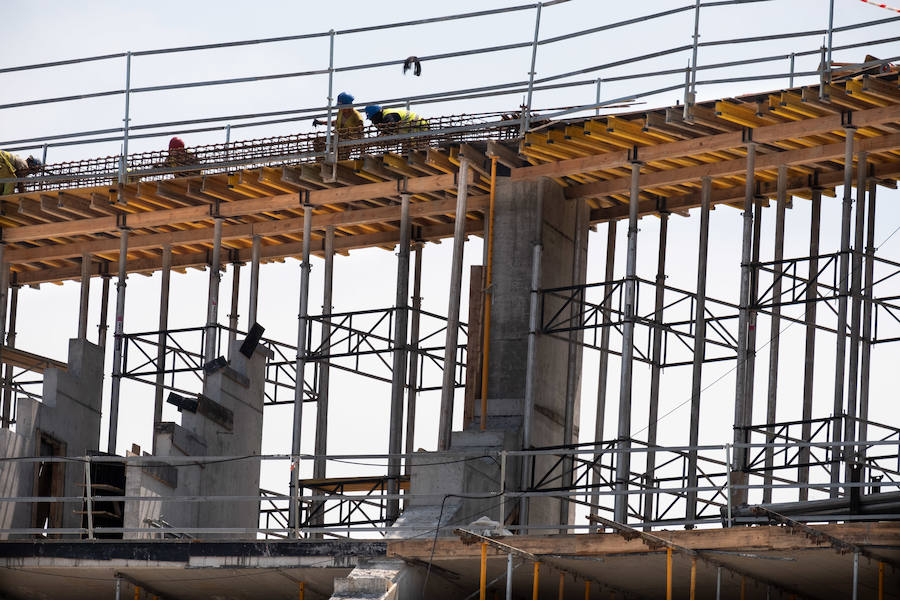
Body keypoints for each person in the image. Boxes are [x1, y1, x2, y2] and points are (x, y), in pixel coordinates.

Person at [313, 92, 364, 159]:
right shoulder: (340, 112)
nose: (341, 108)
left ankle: (342, 158)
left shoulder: (355, 115)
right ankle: (321, 159)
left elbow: (361, 127)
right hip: (338, 137)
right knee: (318, 141)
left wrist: (352, 131)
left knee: (341, 145)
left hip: (349, 139)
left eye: (342, 107)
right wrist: (322, 122)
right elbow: (336, 122)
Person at [363, 105, 429, 135]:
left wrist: (383, 134)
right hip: (414, 130)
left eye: (373, 119)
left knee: (408, 150)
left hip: (421, 127)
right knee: (406, 149)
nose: (373, 122)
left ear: (377, 115)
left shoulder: (388, 115)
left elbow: (391, 127)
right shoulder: (386, 115)